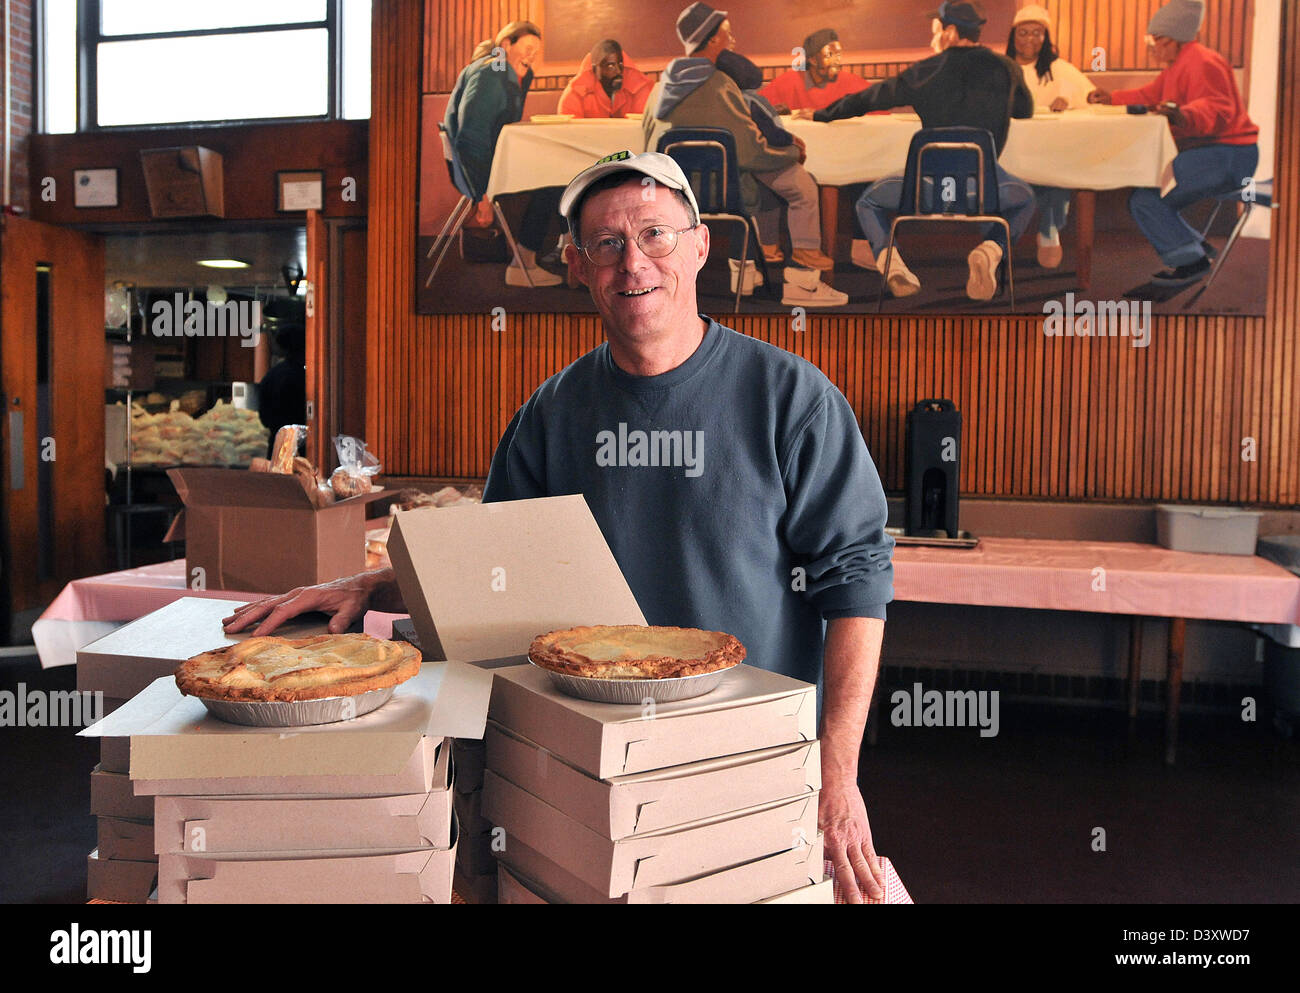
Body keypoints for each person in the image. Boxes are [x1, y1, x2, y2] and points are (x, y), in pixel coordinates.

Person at [224, 151, 896, 903]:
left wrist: (836, 772)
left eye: (656, 235)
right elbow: (503, 569)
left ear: (700, 246)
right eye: (606, 244)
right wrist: (376, 581)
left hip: (747, 761)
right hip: (590, 768)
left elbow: (858, 586)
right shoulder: (551, 414)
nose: (632, 261)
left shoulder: (791, 399)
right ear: (579, 266)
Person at [815, 1, 1035, 302]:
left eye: (937, 29)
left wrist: (823, 114)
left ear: (951, 31)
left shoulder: (927, 70)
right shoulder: (1007, 67)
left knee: (867, 202)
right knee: (1025, 199)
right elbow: (1025, 110)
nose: (934, 35)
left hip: (927, 192)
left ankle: (892, 266)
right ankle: (990, 251)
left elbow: (869, 98)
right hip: (984, 191)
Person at [642, 4, 842, 304]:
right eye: (727, 35)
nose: (732, 41)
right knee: (803, 185)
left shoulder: (661, 87)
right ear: (711, 41)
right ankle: (802, 283)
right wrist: (790, 151)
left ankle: (752, 271)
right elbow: (751, 152)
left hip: (674, 191)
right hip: (726, 191)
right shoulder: (721, 84)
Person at [1088, 0, 1259, 289]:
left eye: (1155, 40)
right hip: (1216, 153)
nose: (1152, 47)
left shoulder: (1204, 62)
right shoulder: (1177, 66)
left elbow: (1217, 108)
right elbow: (1150, 94)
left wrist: (1184, 114)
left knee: (1145, 199)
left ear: (1173, 40)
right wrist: (1113, 97)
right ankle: (1197, 248)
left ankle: (1191, 261)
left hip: (1229, 156)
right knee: (1148, 195)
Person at [444, 20, 564, 288]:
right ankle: (524, 265)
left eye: (537, 49)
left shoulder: (513, 74)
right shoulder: (491, 74)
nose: (532, 54)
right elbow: (471, 137)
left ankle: (562, 251)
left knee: (556, 170)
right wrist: (481, 194)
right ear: (506, 45)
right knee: (553, 179)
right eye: (528, 47)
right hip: (474, 170)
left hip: (491, 162)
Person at [1005, 4, 1095, 269]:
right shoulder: (1002, 68)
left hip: (1049, 150)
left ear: (1046, 38)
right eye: (1024, 32)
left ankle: (1049, 233)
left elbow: (1090, 96)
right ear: (1013, 36)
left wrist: (1067, 100)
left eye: (1037, 33)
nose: (1030, 39)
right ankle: (996, 244)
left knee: (1057, 176)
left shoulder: (1060, 68)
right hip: (1011, 149)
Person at [759, 28, 870, 113]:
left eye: (838, 54)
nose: (837, 60)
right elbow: (755, 110)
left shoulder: (851, 82)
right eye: (829, 55)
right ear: (813, 60)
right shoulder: (788, 82)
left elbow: (879, 115)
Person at [558, 40, 653, 119]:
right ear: (596, 70)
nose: (618, 71)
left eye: (620, 65)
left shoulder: (641, 88)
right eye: (610, 66)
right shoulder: (576, 93)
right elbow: (569, 133)